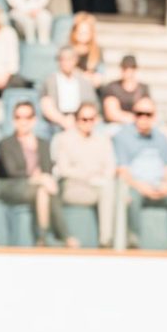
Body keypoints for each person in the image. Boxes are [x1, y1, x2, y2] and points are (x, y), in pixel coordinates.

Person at [0, 101, 76, 247]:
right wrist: (39, 178)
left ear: (34, 119)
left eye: (27, 117)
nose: (23, 121)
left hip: (39, 187)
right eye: (18, 117)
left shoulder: (43, 144)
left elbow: (47, 169)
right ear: (13, 120)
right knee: (44, 187)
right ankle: (62, 235)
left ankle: (43, 237)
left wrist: (42, 179)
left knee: (44, 190)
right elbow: (12, 172)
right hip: (12, 187)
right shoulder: (6, 143)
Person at [113, 97, 167, 250]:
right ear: (134, 115)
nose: (143, 118)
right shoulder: (122, 136)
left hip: (159, 185)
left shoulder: (160, 137)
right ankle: (134, 241)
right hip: (136, 186)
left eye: (148, 114)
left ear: (154, 116)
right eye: (139, 114)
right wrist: (141, 187)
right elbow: (122, 171)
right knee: (131, 198)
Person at [51, 102, 117, 248]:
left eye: (91, 119)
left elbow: (110, 167)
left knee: (116, 190)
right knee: (110, 191)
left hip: (99, 185)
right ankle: (106, 240)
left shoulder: (103, 139)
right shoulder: (64, 139)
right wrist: (89, 175)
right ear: (76, 120)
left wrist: (98, 178)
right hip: (73, 187)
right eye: (84, 119)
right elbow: (64, 169)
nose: (88, 123)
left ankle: (114, 239)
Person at [40, 47, 99, 133]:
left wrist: (80, 120)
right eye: (63, 59)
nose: (66, 62)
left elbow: (92, 105)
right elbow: (46, 104)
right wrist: (63, 120)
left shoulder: (84, 81)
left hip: (82, 119)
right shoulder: (50, 80)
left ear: (75, 60)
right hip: (58, 120)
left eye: (69, 59)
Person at [101, 54, 151, 126]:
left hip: (138, 126)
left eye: (131, 68)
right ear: (121, 69)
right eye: (125, 68)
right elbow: (112, 114)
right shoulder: (112, 87)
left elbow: (148, 111)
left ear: (135, 69)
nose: (128, 72)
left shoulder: (143, 88)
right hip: (116, 125)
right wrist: (137, 118)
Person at [68, 12, 102, 83]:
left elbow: (100, 75)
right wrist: (82, 75)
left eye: (86, 32)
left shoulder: (97, 51)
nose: (82, 35)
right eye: (80, 32)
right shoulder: (68, 50)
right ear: (74, 32)